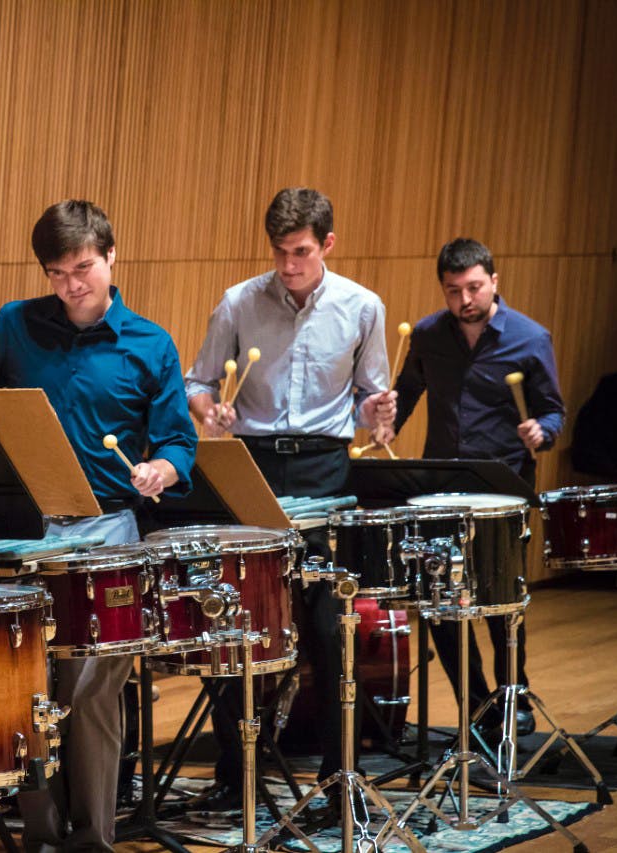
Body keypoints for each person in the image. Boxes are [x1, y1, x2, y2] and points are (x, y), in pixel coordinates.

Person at [0, 199, 196, 853]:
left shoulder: (150, 343)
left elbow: (180, 444)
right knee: (23, 685)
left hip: (108, 529)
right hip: (24, 531)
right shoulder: (14, 326)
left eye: (84, 267)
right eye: (57, 272)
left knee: (91, 690)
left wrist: (159, 470)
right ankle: (38, 836)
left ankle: (92, 839)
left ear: (112, 256)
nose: (72, 284)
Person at [185, 187, 395, 811]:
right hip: (250, 469)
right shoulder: (238, 302)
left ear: (327, 244)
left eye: (301, 252)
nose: (288, 265)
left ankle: (338, 776)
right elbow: (197, 380)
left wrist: (380, 413)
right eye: (279, 252)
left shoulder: (363, 307)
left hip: (326, 471)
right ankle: (234, 772)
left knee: (332, 628)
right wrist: (209, 409)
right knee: (237, 619)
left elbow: (371, 405)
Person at [385, 236, 564, 737]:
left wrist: (542, 430)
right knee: (439, 600)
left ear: (494, 282)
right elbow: (406, 391)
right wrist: (387, 422)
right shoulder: (427, 336)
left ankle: (513, 692)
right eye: (453, 290)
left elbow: (553, 409)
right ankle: (476, 700)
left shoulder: (530, 338)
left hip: (501, 486)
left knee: (499, 597)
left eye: (474, 287)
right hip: (440, 484)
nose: (465, 300)